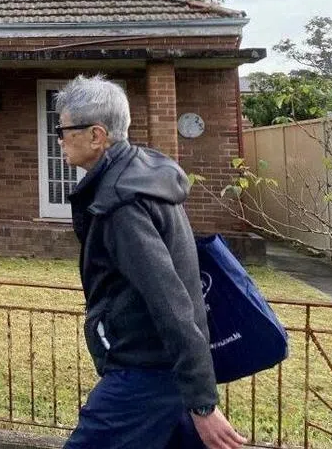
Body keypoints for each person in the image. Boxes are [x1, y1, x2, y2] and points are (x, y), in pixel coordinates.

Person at [55, 75, 246, 449]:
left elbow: (170, 298)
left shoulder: (122, 203)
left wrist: (202, 402)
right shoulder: (143, 172)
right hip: (164, 369)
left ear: (97, 135)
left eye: (63, 130)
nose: (59, 139)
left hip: (144, 372)